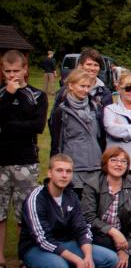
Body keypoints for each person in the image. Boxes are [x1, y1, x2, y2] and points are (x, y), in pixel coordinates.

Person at [19, 155, 118, 268]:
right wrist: (78, 260)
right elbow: (43, 239)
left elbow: (82, 228)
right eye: (59, 170)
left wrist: (88, 257)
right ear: (49, 173)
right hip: (35, 248)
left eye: (68, 171)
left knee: (110, 259)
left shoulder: (71, 196)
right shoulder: (36, 199)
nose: (64, 175)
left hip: (65, 243)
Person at [0, 49, 48, 268]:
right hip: (1, 160)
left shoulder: (37, 95)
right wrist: (8, 96)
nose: (12, 75)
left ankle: (24, 258)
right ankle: (0, 260)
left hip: (26, 160)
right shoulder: (1, 94)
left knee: (24, 213)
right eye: (7, 71)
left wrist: (8, 126)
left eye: (16, 71)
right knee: (0, 214)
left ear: (25, 69)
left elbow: (37, 125)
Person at [80, 147, 131, 268]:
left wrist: (126, 250)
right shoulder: (92, 184)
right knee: (107, 242)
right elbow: (88, 217)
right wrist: (113, 232)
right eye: (114, 160)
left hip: (123, 239)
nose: (119, 164)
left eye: (123, 161)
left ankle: (120, 259)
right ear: (105, 163)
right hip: (97, 235)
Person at [49, 68, 105, 198]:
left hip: (95, 166)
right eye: (82, 86)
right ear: (71, 85)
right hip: (73, 168)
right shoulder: (61, 112)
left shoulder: (96, 108)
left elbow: (101, 138)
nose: (85, 90)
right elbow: (56, 143)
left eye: (88, 86)